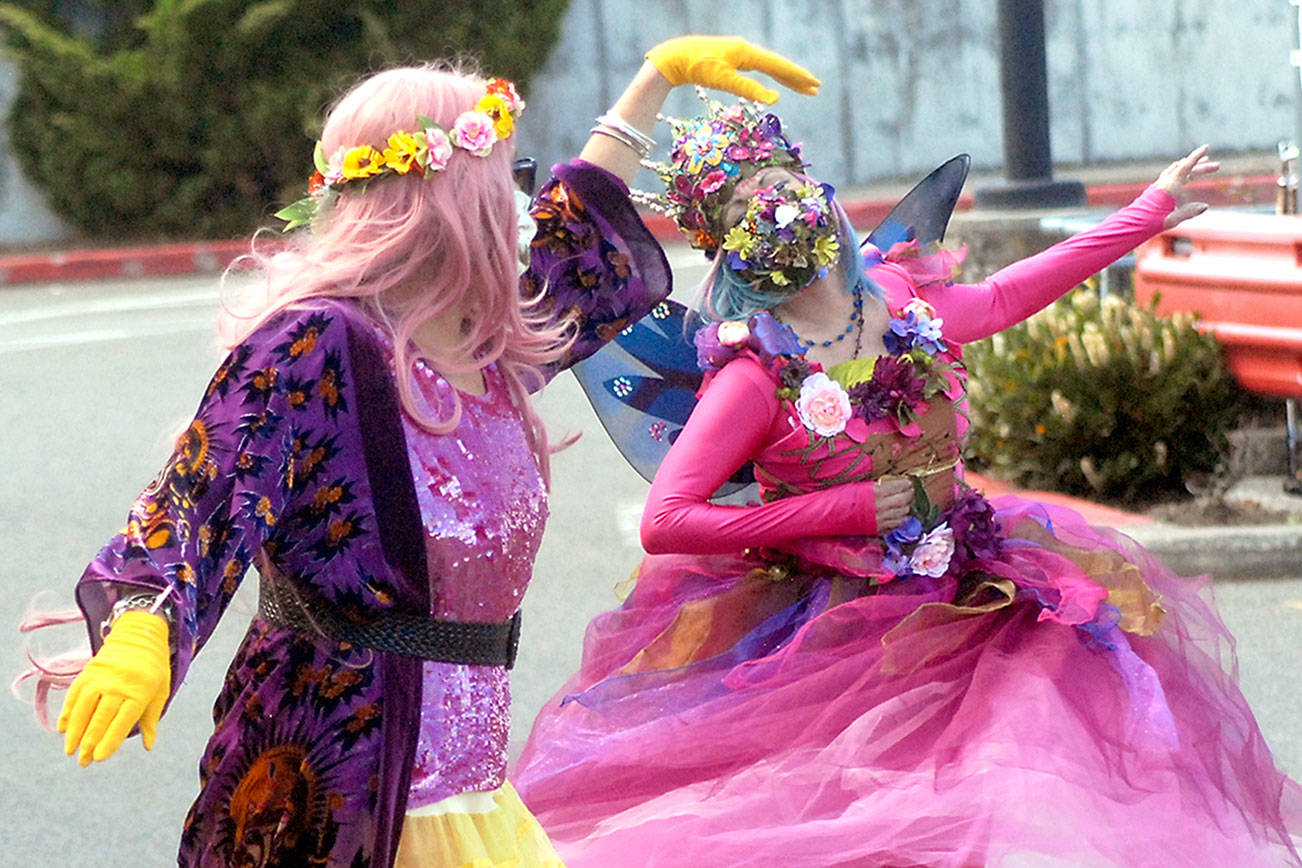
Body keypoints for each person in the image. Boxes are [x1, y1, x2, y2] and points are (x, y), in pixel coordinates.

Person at [21, 39, 819, 868]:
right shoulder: (318, 341)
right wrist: (143, 631)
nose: (524, 207)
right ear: (442, 198)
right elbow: (207, 487)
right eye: (502, 182)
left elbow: (577, 243)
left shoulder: (480, 342)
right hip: (339, 784)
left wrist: (652, 84)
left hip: (467, 795)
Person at [513, 90, 1302, 866]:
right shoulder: (753, 377)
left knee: (969, 804)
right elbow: (668, 519)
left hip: (971, 592)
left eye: (780, 177)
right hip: (836, 635)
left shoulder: (900, 301)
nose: (779, 200)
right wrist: (842, 508)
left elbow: (1002, 297)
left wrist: (1143, 216)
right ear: (730, 248)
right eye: (746, 201)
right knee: (861, 831)